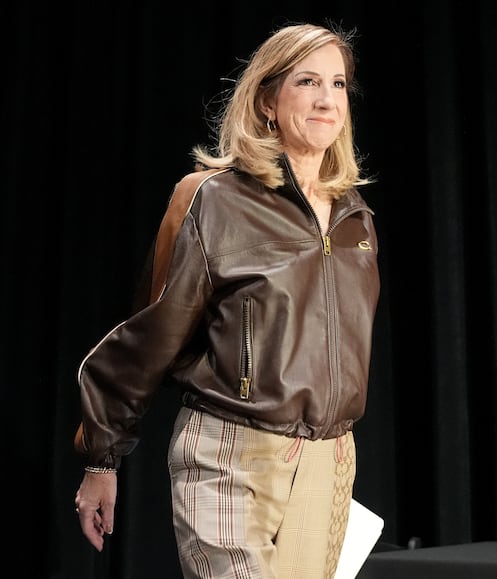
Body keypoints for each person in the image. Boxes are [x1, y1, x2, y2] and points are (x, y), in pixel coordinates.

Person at [72, 22, 380, 579]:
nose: (326, 99)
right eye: (307, 81)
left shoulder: (355, 216)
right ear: (267, 100)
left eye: (337, 84)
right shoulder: (217, 200)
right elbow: (153, 333)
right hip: (233, 453)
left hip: (329, 463)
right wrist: (102, 457)